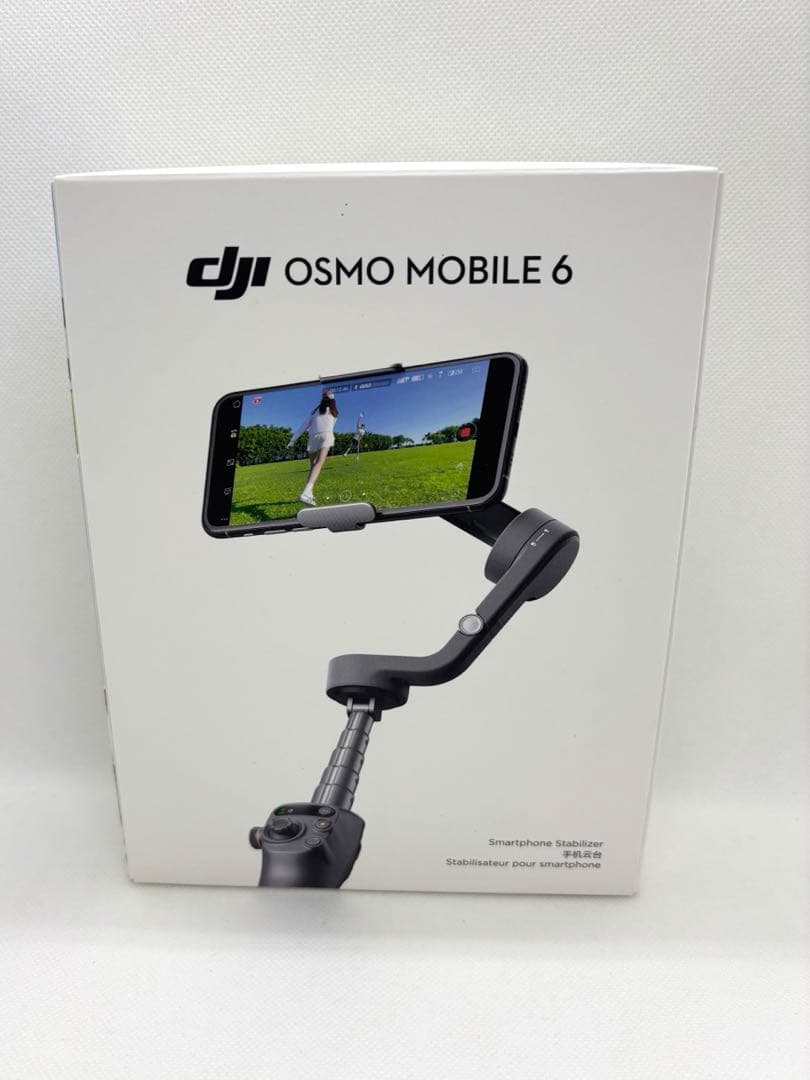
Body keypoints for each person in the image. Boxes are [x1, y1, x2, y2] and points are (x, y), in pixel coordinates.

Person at [287, 390, 339, 505]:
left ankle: (309, 494)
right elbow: (330, 426)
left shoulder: (314, 411)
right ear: (333, 400)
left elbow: (304, 426)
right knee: (318, 463)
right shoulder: (335, 413)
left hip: (312, 437)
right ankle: (306, 493)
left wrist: (293, 440)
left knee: (313, 466)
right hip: (326, 436)